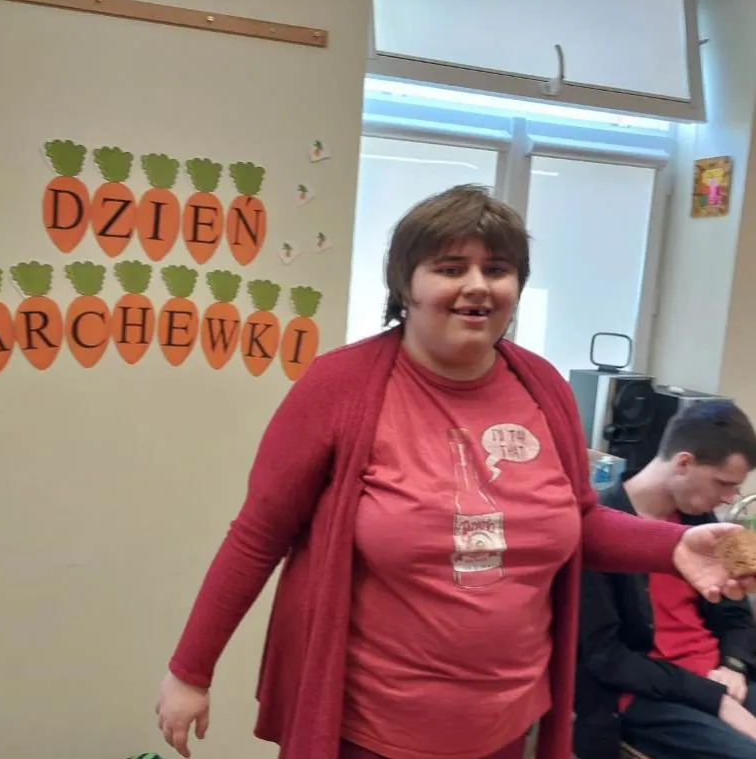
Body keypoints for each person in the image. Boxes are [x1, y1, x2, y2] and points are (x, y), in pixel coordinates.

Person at [154, 184, 749, 759]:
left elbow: (577, 522)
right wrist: (190, 671)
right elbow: (258, 536)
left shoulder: (543, 387)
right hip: (371, 730)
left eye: (498, 269)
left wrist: (674, 545)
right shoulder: (340, 387)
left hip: (507, 724)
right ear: (405, 285)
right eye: (449, 268)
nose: (478, 285)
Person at [575, 400, 756, 759]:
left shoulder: (704, 520)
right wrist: (714, 698)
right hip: (648, 692)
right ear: (683, 463)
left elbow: (736, 614)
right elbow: (607, 657)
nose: (727, 499)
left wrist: (733, 665)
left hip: (721, 678)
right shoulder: (598, 533)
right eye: (723, 484)